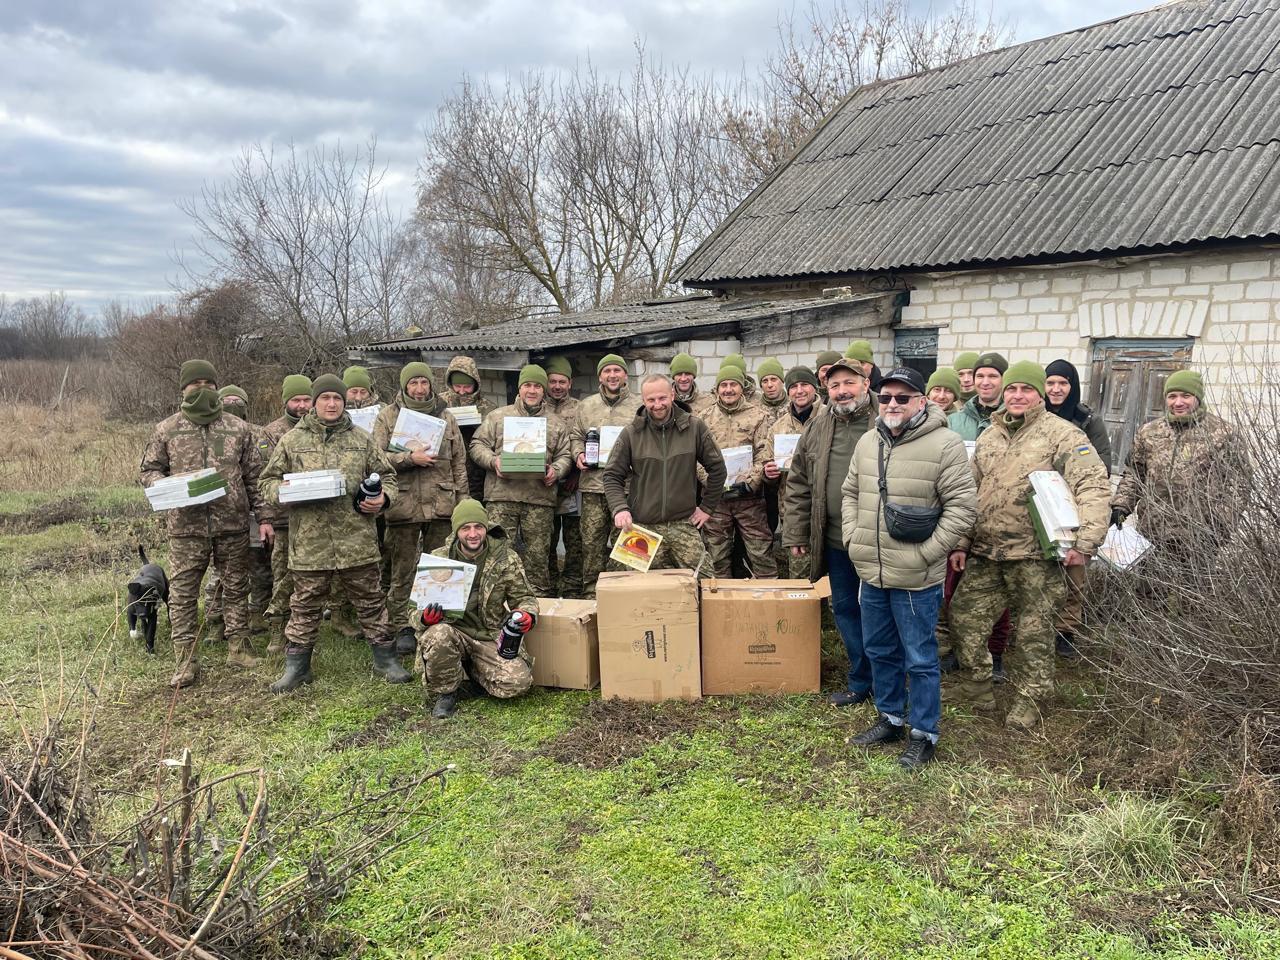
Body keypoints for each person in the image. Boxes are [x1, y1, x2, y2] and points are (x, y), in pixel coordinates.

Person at [948, 361, 1109, 729]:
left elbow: (1093, 487)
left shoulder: (1063, 435)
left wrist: (1085, 542)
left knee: (1035, 633)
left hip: (1036, 555)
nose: (1017, 396)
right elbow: (971, 491)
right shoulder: (991, 434)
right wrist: (961, 540)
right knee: (964, 619)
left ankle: (1031, 698)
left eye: (1026, 390)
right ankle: (978, 689)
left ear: (1039, 395)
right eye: (1012, 390)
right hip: (987, 552)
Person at [841, 367, 977, 769]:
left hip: (917, 576)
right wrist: (853, 536)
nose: (893, 404)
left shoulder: (946, 444)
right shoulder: (868, 442)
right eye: (886, 398)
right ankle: (891, 717)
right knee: (880, 650)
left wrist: (927, 554)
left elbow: (962, 508)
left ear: (922, 401)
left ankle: (923, 732)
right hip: (872, 572)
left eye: (903, 397)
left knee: (919, 657)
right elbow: (850, 492)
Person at [259, 374, 410, 692]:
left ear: (344, 403)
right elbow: (266, 482)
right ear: (314, 402)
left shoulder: (361, 438)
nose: (331, 403)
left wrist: (383, 499)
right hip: (310, 541)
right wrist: (284, 492)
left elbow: (388, 476)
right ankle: (297, 667)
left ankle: (386, 660)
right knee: (305, 604)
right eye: (325, 398)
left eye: (337, 399)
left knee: (371, 600)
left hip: (356, 538)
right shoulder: (292, 440)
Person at [139, 360, 270, 687]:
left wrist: (264, 518)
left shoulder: (238, 429)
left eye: (208, 385)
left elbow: (255, 477)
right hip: (186, 527)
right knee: (183, 592)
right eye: (194, 385)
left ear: (217, 388)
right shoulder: (166, 429)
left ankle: (239, 646)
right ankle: (185, 658)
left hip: (232, 523)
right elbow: (148, 470)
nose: (202, 390)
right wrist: (162, 486)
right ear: (183, 389)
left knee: (237, 585)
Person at [782, 357, 875, 705]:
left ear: (865, 383)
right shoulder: (818, 426)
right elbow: (799, 483)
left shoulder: (885, 419)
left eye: (849, 383)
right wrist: (795, 533)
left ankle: (889, 679)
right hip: (835, 538)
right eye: (834, 386)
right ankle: (860, 678)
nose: (842, 391)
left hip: (878, 540)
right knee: (846, 607)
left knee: (880, 611)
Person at [372, 362, 468, 654]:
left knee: (441, 567)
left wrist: (463, 502)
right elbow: (376, 459)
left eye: (423, 383)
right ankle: (402, 625)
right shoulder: (387, 417)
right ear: (404, 386)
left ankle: (439, 620)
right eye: (412, 383)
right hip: (404, 504)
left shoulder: (447, 417)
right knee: (403, 569)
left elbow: (459, 462)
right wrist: (409, 459)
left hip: (442, 503)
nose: (418, 388)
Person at [416, 499, 539, 719]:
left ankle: (471, 672)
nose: (473, 534)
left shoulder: (505, 558)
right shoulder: (438, 559)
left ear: (486, 527)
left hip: (489, 634)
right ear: (456, 531)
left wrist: (528, 614)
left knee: (517, 683)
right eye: (466, 528)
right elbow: (414, 610)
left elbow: (525, 597)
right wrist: (425, 618)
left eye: (478, 527)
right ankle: (447, 693)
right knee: (438, 634)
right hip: (452, 632)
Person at [1111, 369, 1246, 561]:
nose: (1178, 402)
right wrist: (1121, 506)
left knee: (1195, 591)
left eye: (1186, 396)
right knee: (1146, 590)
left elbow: (1238, 485)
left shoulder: (1223, 434)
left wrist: (1221, 526)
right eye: (1172, 396)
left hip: (1200, 537)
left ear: (1198, 397)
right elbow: (1135, 473)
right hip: (1151, 533)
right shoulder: (1149, 432)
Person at [603, 374, 726, 573]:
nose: (657, 404)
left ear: (672, 395)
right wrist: (620, 508)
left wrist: (707, 507)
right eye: (651, 400)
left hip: (683, 524)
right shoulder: (631, 433)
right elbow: (612, 475)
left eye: (662, 398)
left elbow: (718, 469)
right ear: (643, 400)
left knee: (702, 580)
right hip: (642, 526)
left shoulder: (694, 428)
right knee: (632, 586)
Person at [469, 364, 574, 597]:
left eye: (537, 386)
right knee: (497, 553)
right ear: (520, 387)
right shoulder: (497, 416)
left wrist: (556, 471)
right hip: (501, 497)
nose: (532, 390)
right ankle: (495, 602)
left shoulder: (556, 423)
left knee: (538, 558)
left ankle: (538, 605)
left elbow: (565, 455)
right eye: (527, 385)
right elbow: (477, 445)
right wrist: (493, 461)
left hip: (539, 500)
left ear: (543, 390)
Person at [1043, 358, 1113, 659]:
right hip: (1040, 501)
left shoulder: (1087, 420)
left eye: (1063, 383)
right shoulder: (1036, 415)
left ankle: (1066, 630)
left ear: (1072, 386)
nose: (1056, 389)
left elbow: (1102, 465)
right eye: (1050, 383)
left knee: (1073, 570)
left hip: (1072, 503)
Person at [203, 385, 273, 641]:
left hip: (256, 511)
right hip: (224, 514)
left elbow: (264, 471)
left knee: (261, 567)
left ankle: (257, 613)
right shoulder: (210, 434)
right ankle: (216, 620)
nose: (232, 404)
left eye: (237, 400)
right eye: (227, 400)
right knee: (222, 573)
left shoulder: (260, 434)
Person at [701, 366, 777, 578]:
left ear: (741, 388)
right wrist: (710, 481)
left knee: (760, 552)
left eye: (733, 384)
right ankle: (720, 602)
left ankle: (771, 600)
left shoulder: (758, 417)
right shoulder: (703, 418)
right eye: (723, 385)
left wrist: (750, 482)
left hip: (749, 499)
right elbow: (695, 457)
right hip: (716, 501)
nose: (728, 390)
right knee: (716, 555)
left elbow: (764, 453)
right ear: (717, 389)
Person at [570, 354, 634, 597]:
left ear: (625, 375)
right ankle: (591, 594)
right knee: (592, 544)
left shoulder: (637, 406)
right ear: (600, 376)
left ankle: (622, 593)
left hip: (627, 488)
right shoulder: (586, 405)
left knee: (625, 544)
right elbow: (576, 435)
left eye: (617, 370)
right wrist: (578, 455)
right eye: (607, 371)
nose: (612, 375)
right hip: (593, 487)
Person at [259, 375, 312, 653]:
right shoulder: (271, 433)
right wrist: (265, 519)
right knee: (282, 575)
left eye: (306, 399)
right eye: (297, 400)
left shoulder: (319, 428)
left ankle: (305, 628)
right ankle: (277, 631)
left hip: (314, 517)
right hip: (283, 519)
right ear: (286, 402)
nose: (302, 405)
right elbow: (263, 478)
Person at [763, 366, 823, 577]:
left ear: (814, 388)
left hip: (827, 506)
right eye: (794, 386)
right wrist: (768, 473)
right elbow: (767, 466)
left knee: (833, 575)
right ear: (788, 391)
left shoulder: (829, 419)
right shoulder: (778, 427)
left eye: (804, 385)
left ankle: (829, 610)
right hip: (793, 510)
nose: (799, 391)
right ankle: (803, 609)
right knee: (799, 570)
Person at [543, 355, 583, 598]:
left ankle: (572, 589)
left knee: (575, 541)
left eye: (562, 381)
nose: (557, 386)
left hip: (573, 485)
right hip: (542, 486)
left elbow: (585, 441)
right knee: (545, 541)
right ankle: (548, 588)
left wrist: (576, 473)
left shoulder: (580, 408)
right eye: (552, 381)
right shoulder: (538, 406)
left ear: (570, 382)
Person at [442, 355, 495, 501]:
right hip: (446, 476)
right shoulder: (439, 404)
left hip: (478, 477)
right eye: (457, 386)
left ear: (476, 384)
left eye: (467, 386)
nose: (462, 391)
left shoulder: (488, 408)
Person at [948, 352, 1007, 440]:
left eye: (992, 376)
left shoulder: (1012, 418)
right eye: (980, 376)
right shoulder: (953, 421)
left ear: (1004, 379)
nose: (985, 382)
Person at [669, 352, 713, 416]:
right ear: (673, 377)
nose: (683, 379)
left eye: (687, 374)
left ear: (693, 376)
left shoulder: (707, 402)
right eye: (679, 374)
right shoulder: (665, 400)